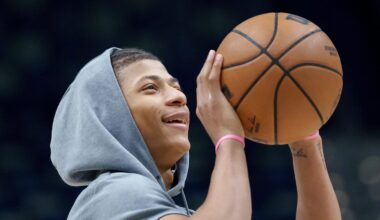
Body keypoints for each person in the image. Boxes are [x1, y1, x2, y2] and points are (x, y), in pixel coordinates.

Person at [50, 47, 341, 219]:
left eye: (176, 87)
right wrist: (229, 140)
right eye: (150, 88)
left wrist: (304, 137)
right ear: (109, 117)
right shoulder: (113, 193)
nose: (180, 97)